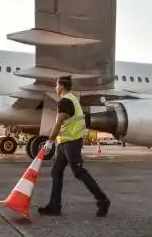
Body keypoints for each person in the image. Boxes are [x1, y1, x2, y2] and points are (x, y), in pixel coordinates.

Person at [38, 76, 111, 217]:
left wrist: (49, 141)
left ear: (62, 87)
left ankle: (103, 200)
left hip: (71, 143)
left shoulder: (65, 101)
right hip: (65, 142)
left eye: (56, 85)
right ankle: (54, 206)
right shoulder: (72, 99)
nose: (55, 88)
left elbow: (58, 124)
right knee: (56, 172)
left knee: (79, 172)